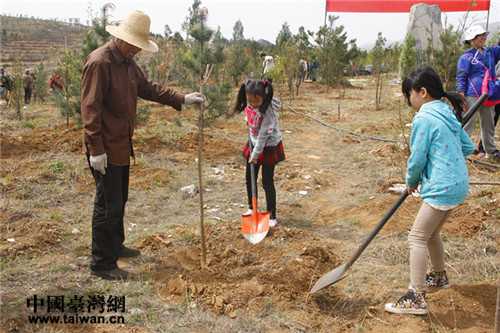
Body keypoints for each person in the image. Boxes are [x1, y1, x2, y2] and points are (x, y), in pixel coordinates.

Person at [81, 10, 205, 281]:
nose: (137, 50)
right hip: (105, 147)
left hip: (121, 145)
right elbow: (90, 109)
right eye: (135, 44)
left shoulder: (127, 62)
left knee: (119, 199)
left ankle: (115, 246)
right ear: (122, 39)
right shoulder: (100, 62)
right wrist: (96, 149)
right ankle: (102, 263)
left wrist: (182, 98)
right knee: (107, 204)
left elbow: (148, 88)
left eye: (140, 45)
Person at [385, 67, 474, 315]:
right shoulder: (447, 113)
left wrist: (411, 181)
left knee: (416, 237)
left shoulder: (424, 118)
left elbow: (418, 157)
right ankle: (439, 276)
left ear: (422, 92)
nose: (409, 101)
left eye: (409, 95)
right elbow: (467, 147)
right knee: (432, 234)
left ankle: (416, 296)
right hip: (458, 186)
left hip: (441, 188)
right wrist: (449, 158)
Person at [233, 79, 285, 228]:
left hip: (268, 145)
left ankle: (272, 215)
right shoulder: (249, 105)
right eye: (250, 101)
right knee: (250, 178)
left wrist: (254, 156)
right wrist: (247, 120)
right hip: (254, 142)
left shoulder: (268, 113)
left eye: (256, 102)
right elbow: (251, 117)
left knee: (267, 181)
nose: (253, 104)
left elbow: (263, 137)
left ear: (264, 97)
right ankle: (251, 208)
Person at [456, 25, 500, 161]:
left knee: (489, 123)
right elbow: (461, 77)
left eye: (483, 35)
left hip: (488, 93)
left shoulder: (490, 52)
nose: (483, 38)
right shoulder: (466, 57)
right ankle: (461, 152)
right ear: (471, 38)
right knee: (468, 123)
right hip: (472, 94)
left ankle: (490, 151)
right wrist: (461, 97)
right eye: (478, 35)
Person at [477, 38, 500, 158]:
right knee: (491, 119)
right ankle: (484, 148)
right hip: (495, 90)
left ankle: (487, 149)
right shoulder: (494, 55)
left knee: (491, 120)